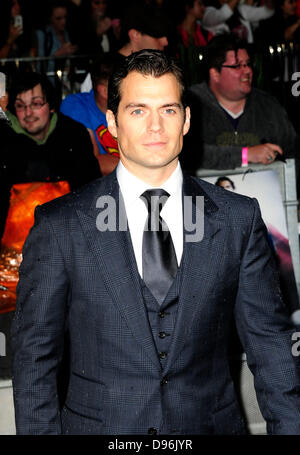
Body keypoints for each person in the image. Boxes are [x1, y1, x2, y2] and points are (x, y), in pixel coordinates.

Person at [11, 49, 300, 435]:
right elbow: (34, 361)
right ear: (112, 122)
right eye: (137, 110)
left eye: (168, 110)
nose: (155, 127)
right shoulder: (60, 226)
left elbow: (271, 348)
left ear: (186, 119)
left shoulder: (237, 220)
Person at [182, 34, 297, 172]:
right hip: (206, 192)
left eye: (248, 64)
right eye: (237, 66)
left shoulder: (267, 105)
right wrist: (245, 155)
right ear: (215, 74)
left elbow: (293, 150)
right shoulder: (192, 104)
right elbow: (184, 151)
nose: (247, 70)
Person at [80, 3, 169, 92]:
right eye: (157, 37)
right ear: (135, 35)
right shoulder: (105, 69)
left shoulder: (163, 65)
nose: (165, 42)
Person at [60, 54, 119, 175]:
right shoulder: (76, 105)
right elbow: (92, 161)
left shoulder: (138, 108)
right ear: (105, 91)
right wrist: (142, 174)